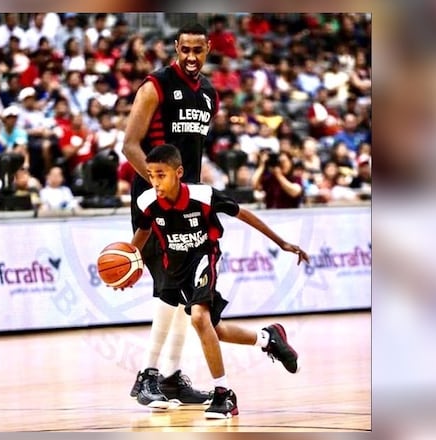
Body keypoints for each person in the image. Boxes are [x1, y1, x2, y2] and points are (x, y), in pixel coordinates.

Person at [125, 145, 308, 418]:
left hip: (203, 258)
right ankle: (268, 338)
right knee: (215, 330)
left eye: (160, 175)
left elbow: (243, 213)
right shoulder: (148, 202)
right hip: (173, 268)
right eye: (150, 175)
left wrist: (281, 242)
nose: (154, 181)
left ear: (179, 173)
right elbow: (143, 230)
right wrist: (129, 263)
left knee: (199, 319)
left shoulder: (203, 196)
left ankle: (224, 394)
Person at [122, 23, 219, 408]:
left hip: (189, 201)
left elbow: (190, 155)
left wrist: (192, 191)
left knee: (185, 294)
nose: (191, 57)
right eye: (185, 50)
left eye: (198, 50)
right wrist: (161, 186)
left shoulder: (210, 93)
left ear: (208, 49)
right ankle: (146, 376)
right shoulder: (155, 86)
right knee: (168, 286)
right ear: (176, 47)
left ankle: (173, 377)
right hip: (155, 198)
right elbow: (129, 145)